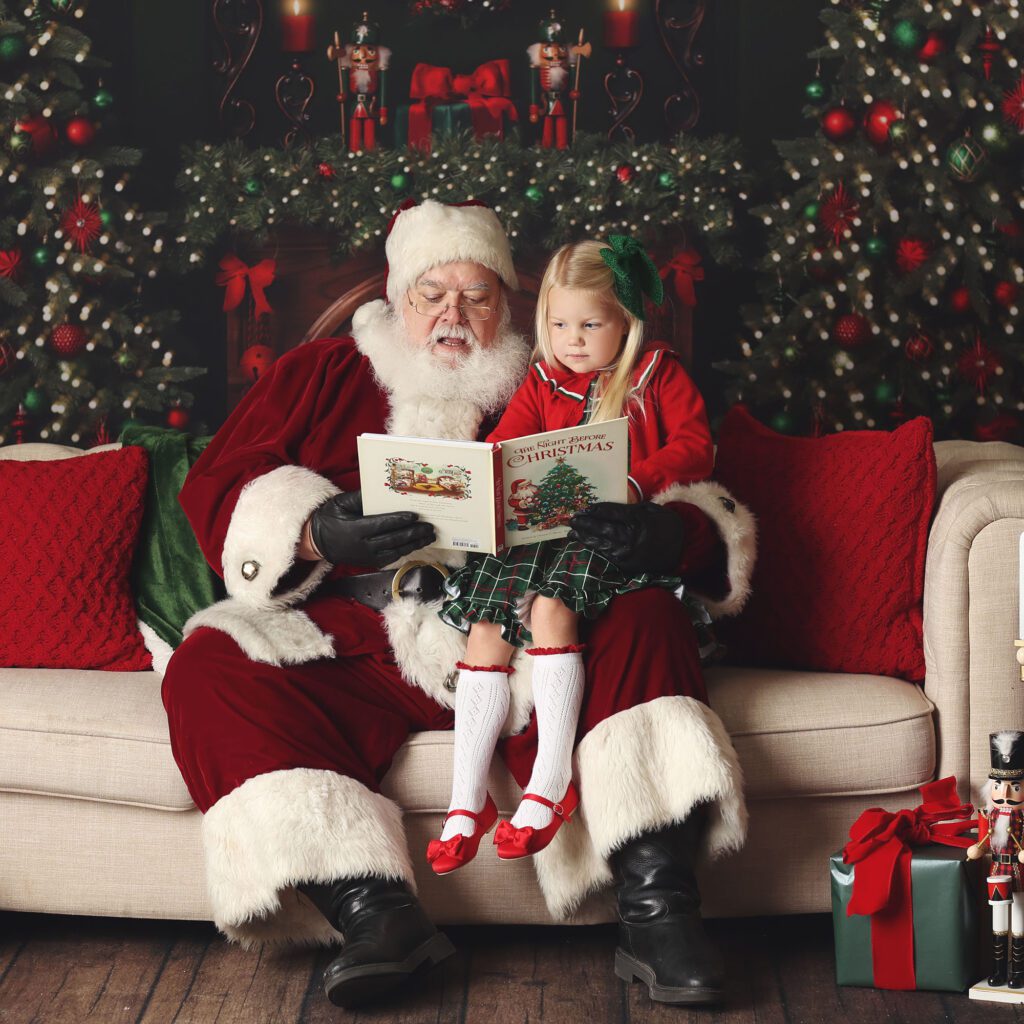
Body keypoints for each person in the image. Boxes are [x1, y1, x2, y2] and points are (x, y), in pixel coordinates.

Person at [161, 199, 756, 1009]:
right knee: (212, 664)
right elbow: (220, 484)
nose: (453, 315)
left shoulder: (559, 377)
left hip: (528, 632)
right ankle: (373, 913)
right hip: (354, 639)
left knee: (646, 614)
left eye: (477, 296)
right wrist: (312, 532)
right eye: (431, 293)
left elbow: (682, 472)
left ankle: (659, 913)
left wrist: (666, 532)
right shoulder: (322, 373)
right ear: (398, 298)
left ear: (510, 307)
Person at [429, 236, 717, 875]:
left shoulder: (655, 375)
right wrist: (485, 479)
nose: (573, 338)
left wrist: (638, 482)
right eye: (559, 324)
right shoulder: (539, 381)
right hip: (535, 534)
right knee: (485, 626)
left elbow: (697, 447)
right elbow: (505, 446)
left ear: (627, 322)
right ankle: (465, 802)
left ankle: (551, 781)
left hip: (608, 535)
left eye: (591, 324)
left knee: (552, 609)